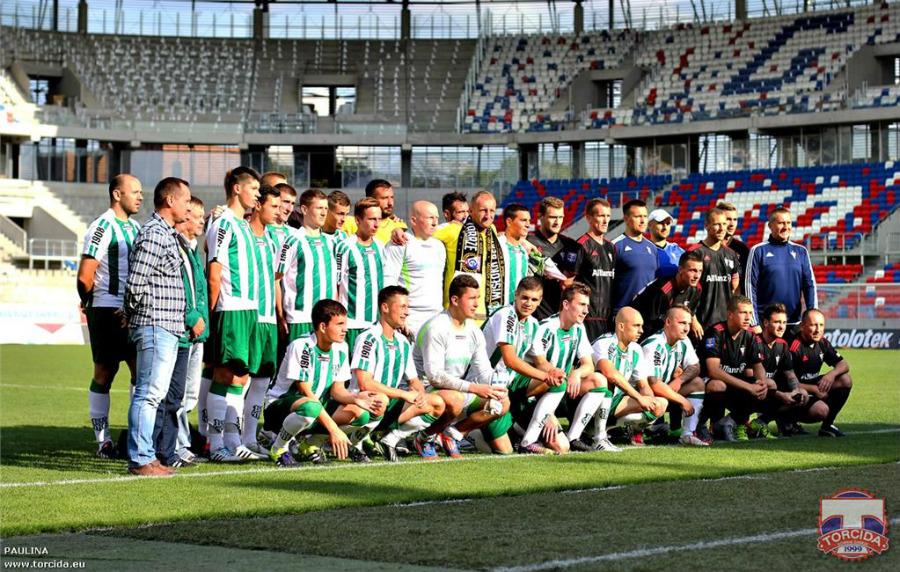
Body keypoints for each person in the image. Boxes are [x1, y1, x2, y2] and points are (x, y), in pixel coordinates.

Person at [263, 300, 385, 466]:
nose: (345, 329)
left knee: (360, 414)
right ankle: (278, 448)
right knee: (311, 407)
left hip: (313, 408)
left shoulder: (341, 348)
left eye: (345, 324)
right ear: (322, 327)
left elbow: (337, 390)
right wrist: (334, 430)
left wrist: (355, 399)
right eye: (340, 324)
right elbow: (306, 392)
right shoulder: (302, 346)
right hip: (280, 408)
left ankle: (311, 444)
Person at [123, 177, 191, 477]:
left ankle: (147, 456)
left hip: (166, 326)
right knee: (148, 394)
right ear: (170, 200)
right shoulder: (154, 233)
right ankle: (141, 458)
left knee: (154, 394)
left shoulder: (165, 233)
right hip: (155, 324)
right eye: (186, 200)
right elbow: (136, 281)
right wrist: (133, 313)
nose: (188, 206)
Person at [78, 174, 142, 458]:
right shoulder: (102, 227)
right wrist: (91, 302)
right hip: (106, 309)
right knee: (104, 373)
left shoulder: (137, 227)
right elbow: (85, 275)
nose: (140, 197)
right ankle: (103, 441)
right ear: (117, 195)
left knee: (142, 373)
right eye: (135, 192)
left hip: (133, 311)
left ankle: (135, 436)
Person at [412, 275, 508, 459]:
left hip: (455, 390)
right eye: (471, 298)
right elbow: (435, 377)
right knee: (455, 399)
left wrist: (497, 387)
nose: (476, 304)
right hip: (422, 392)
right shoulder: (436, 328)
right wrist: (473, 387)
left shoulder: (473, 331)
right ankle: (424, 437)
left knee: (502, 402)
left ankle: (452, 435)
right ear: (455, 300)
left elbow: (483, 370)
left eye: (478, 299)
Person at [205, 166, 261, 462]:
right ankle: (215, 446)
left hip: (249, 310)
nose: (258, 195)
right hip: (231, 309)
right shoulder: (223, 222)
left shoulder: (244, 224)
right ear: (237, 189)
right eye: (254, 188)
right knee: (225, 375)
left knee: (240, 378)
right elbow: (214, 271)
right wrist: (213, 312)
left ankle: (233, 440)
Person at [352, 286, 446, 461]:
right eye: (402, 307)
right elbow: (365, 382)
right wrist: (404, 394)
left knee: (436, 403)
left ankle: (389, 439)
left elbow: (413, 380)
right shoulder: (368, 338)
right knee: (382, 399)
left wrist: (420, 394)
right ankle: (356, 440)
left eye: (407, 307)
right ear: (385, 308)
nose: (406, 313)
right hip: (364, 402)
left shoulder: (403, 342)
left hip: (388, 404)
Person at [478, 276, 567, 455]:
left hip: (510, 385)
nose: (528, 303)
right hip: (487, 385)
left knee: (561, 446)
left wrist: (554, 372)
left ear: (540, 301)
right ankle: (474, 432)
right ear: (516, 295)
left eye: (534, 299)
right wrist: (544, 376)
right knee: (504, 451)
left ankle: (527, 440)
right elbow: (510, 359)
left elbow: (540, 361)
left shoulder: (533, 324)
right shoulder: (506, 315)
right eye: (524, 297)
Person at [529, 282, 613, 452]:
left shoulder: (578, 328)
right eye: (581, 304)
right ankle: (519, 431)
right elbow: (540, 364)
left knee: (599, 380)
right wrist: (549, 412)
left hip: (562, 389)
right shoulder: (547, 327)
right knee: (561, 447)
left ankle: (574, 436)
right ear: (566, 305)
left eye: (587, 306)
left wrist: (576, 373)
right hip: (538, 394)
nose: (586, 310)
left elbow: (589, 364)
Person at [237, 185, 283, 460]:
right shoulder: (240, 232)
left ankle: (250, 437)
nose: (279, 213)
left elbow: (276, 280)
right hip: (247, 316)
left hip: (268, 319)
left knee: (262, 380)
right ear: (258, 205)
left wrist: (278, 313)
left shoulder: (273, 240)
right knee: (239, 377)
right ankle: (226, 435)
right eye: (274, 207)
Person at [590, 308, 668, 448]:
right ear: (621, 326)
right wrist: (640, 399)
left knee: (661, 404)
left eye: (641, 326)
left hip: (616, 402)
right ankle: (594, 433)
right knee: (604, 382)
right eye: (636, 326)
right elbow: (611, 375)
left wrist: (650, 402)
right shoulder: (604, 343)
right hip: (592, 400)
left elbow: (643, 385)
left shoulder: (636, 349)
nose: (641, 331)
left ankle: (611, 427)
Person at [699, 296, 772, 442]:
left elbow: (758, 365)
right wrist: (748, 386)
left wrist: (762, 383)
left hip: (735, 383)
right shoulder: (715, 333)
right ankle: (701, 425)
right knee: (717, 385)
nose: (748, 317)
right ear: (730, 314)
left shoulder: (750, 335)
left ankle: (731, 423)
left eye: (750, 313)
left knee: (770, 385)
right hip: (709, 382)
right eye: (743, 313)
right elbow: (713, 371)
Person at [173, 196, 208, 466]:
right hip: (183, 331)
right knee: (177, 394)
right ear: (185, 217)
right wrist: (192, 316)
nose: (202, 221)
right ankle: (177, 446)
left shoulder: (194, 247)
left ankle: (182, 444)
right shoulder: (175, 245)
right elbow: (177, 288)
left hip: (198, 333)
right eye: (198, 217)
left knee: (191, 394)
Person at [757, 304, 828, 436]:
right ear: (766, 323)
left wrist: (796, 390)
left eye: (784, 322)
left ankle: (777, 422)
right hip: (750, 389)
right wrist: (780, 395)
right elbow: (750, 376)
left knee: (802, 395)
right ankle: (736, 423)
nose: (782, 326)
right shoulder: (754, 343)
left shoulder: (782, 344)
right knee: (769, 384)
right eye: (777, 322)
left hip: (770, 391)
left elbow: (789, 373)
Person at [640, 305, 706, 446]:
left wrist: (679, 380)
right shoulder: (654, 345)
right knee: (652, 393)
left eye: (688, 323)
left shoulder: (684, 341)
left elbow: (695, 367)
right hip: (642, 394)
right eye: (682, 323)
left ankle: (687, 434)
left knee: (698, 383)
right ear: (668, 322)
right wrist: (683, 401)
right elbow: (654, 383)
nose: (687, 328)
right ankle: (639, 430)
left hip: (663, 391)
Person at [276, 188, 337, 342]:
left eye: (326, 208)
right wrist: (280, 316)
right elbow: (276, 279)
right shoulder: (292, 240)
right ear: (304, 209)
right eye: (319, 208)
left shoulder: (332, 243)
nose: (324, 213)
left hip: (328, 320)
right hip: (300, 319)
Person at [746, 207, 817, 334]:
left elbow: (809, 285)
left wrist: (812, 318)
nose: (786, 227)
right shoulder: (758, 251)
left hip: (794, 324)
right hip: (766, 325)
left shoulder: (801, 251)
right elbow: (750, 287)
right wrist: (754, 322)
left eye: (788, 223)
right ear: (770, 225)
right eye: (781, 223)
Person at [383, 200, 446, 339]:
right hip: (410, 318)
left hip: (436, 316)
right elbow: (388, 283)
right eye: (430, 217)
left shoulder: (440, 246)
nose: (435, 222)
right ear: (413, 220)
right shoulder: (399, 244)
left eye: (437, 217)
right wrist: (398, 318)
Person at [789, 309, 852, 437]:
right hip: (793, 391)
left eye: (821, 325)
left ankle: (828, 425)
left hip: (811, 387)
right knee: (821, 411)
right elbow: (785, 381)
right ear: (802, 326)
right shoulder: (794, 347)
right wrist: (814, 389)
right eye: (813, 325)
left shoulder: (822, 343)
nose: (818, 329)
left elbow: (844, 364)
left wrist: (831, 375)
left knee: (845, 380)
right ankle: (787, 420)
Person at [335, 197, 385, 352]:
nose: (376, 224)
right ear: (357, 220)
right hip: (352, 324)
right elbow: (335, 285)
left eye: (379, 219)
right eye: (371, 219)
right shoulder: (345, 247)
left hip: (376, 325)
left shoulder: (381, 246)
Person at [631, 250, 704, 341]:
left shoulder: (696, 290)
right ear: (680, 269)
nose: (697, 276)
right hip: (641, 329)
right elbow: (649, 325)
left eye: (700, 271)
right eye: (693, 270)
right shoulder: (663, 291)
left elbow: (689, 315)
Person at [687, 207, 741, 329]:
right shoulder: (695, 252)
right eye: (717, 224)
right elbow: (686, 291)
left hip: (725, 323)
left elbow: (735, 289)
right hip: (701, 323)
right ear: (706, 225)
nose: (722, 229)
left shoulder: (731, 254)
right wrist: (693, 319)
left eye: (724, 224)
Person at [528, 197, 581, 321]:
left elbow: (583, 277)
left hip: (562, 315)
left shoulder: (572, 246)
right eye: (553, 217)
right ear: (540, 216)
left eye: (560, 217)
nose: (557, 222)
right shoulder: (527, 242)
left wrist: (573, 281)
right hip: (535, 315)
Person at [573, 198, 616, 341]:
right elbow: (569, 282)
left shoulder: (611, 247)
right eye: (600, 215)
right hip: (587, 318)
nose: (605, 220)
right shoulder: (581, 245)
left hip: (608, 319)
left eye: (608, 216)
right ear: (589, 218)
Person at [611, 199, 658, 315]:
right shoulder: (615, 246)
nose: (643, 221)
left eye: (645, 216)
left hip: (648, 315)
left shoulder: (652, 248)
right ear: (626, 219)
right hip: (623, 315)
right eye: (638, 216)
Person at [343, 179, 406, 244]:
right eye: (384, 198)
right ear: (370, 199)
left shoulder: (398, 225)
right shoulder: (349, 222)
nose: (390, 203)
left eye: (392, 197)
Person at [498, 203, 532, 307]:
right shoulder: (497, 245)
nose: (528, 224)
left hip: (517, 311)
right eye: (523, 220)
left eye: (529, 220)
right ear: (509, 222)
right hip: (497, 311)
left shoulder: (524, 251)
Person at [719, 202, 750, 288]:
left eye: (735, 219)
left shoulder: (742, 249)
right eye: (728, 219)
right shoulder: (703, 249)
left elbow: (747, 281)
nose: (732, 224)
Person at [648, 209, 684, 279]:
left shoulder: (678, 250)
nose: (665, 227)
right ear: (649, 225)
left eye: (668, 223)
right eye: (661, 223)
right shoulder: (642, 250)